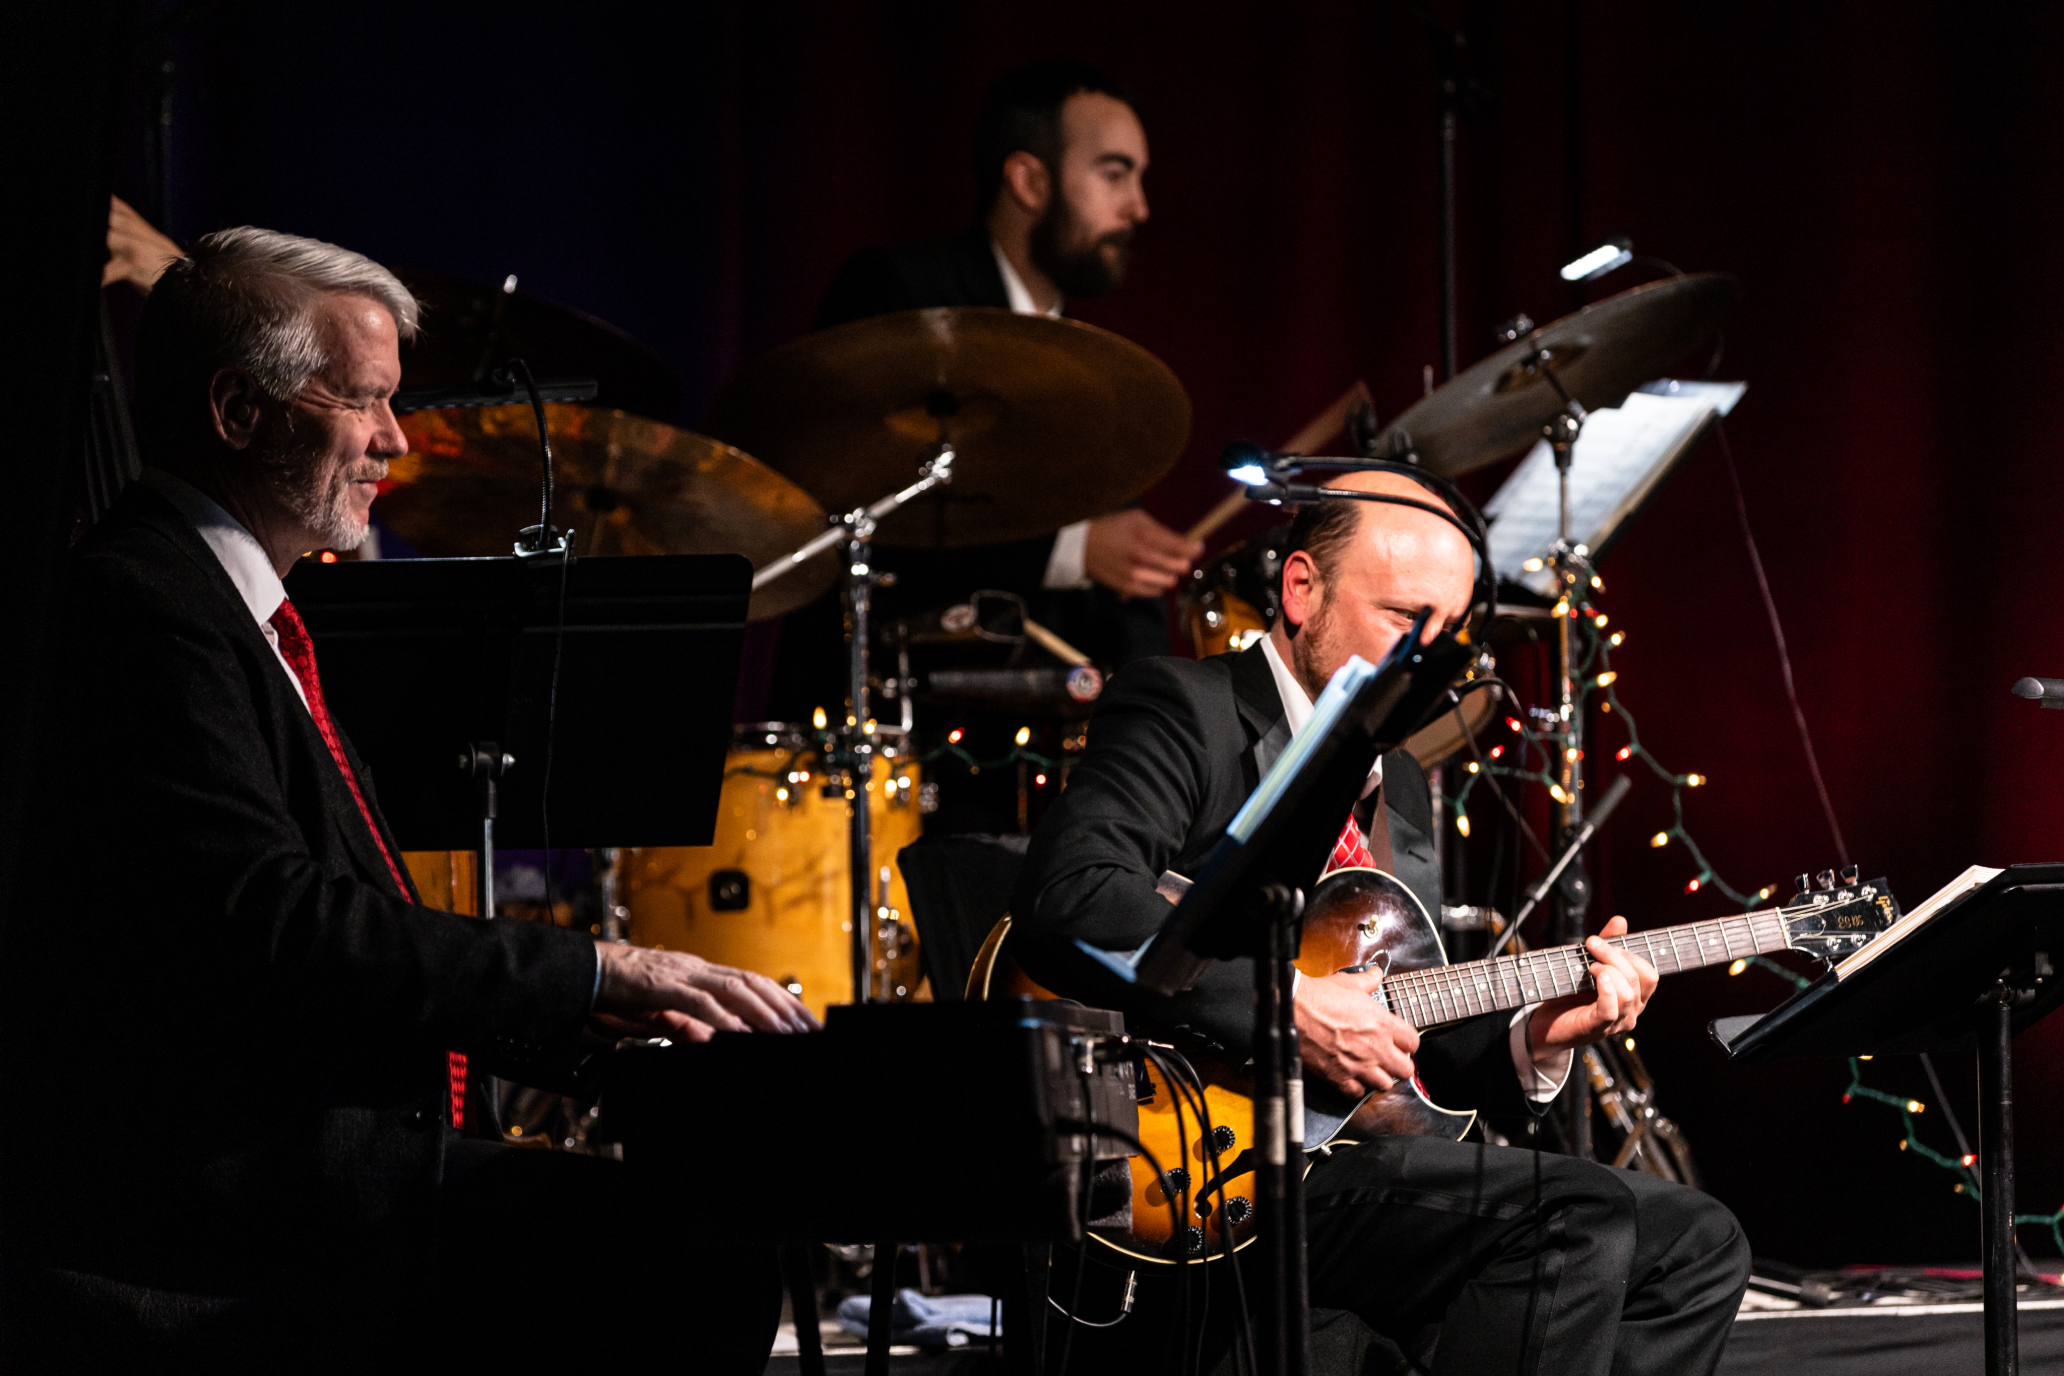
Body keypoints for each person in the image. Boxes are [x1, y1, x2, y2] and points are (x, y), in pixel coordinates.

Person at [3, 226, 813, 1372]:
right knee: (691, 1258)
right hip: (229, 1191)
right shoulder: (144, 604)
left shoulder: (238, 608)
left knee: (706, 1225)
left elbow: (351, 933)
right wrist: (599, 968)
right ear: (237, 410)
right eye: (365, 399)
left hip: (315, 1159)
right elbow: (280, 921)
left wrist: (603, 1030)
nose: (397, 437)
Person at [1010, 470, 1753, 1374]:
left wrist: (1536, 1037)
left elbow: (1403, 1020)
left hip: (1348, 1161)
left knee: (1698, 1243)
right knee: (1576, 1215)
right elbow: (1070, 895)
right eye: (1405, 620)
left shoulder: (1397, 775)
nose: (1432, 662)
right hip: (1204, 1169)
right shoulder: (1187, 708)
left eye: (1450, 634)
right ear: (1301, 589)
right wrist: (1286, 1004)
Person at [764, 62, 1205, 829]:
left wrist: (1159, 727)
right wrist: (1074, 550)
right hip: (884, 759)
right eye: (1114, 174)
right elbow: (868, 506)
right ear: (1028, 180)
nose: (1140, 206)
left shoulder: (1093, 367)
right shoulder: (900, 292)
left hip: (1042, 782)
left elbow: (1123, 601)